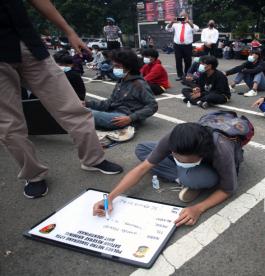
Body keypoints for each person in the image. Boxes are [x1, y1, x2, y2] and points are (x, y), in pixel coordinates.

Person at [0, 0, 123, 198]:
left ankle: (93, 159)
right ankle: (33, 175)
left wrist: (69, 31)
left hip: (28, 43)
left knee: (73, 106)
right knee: (9, 125)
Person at [93, 122, 246, 226]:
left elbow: (228, 189)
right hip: (192, 157)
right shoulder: (173, 138)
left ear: (202, 155)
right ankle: (189, 178)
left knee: (191, 176)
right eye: (175, 156)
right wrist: (110, 197)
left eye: (186, 161)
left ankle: (192, 179)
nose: (178, 160)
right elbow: (143, 167)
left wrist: (198, 208)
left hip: (213, 165)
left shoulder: (221, 151)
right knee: (142, 149)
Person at [86, 49, 158, 130]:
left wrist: (131, 118)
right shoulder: (121, 81)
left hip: (124, 118)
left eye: (117, 66)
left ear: (129, 67)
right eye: (114, 66)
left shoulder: (139, 84)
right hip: (113, 113)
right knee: (82, 110)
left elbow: (153, 106)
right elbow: (109, 102)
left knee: (86, 114)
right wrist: (88, 104)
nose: (114, 68)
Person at [165, 11, 199, 81]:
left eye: (184, 16)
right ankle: (180, 75)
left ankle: (187, 74)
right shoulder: (176, 24)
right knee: (178, 61)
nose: (182, 18)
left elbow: (196, 29)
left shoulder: (190, 24)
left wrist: (188, 22)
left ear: (187, 17)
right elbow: (167, 29)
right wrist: (172, 22)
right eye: (181, 16)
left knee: (188, 61)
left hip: (187, 46)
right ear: (179, 17)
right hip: (177, 46)